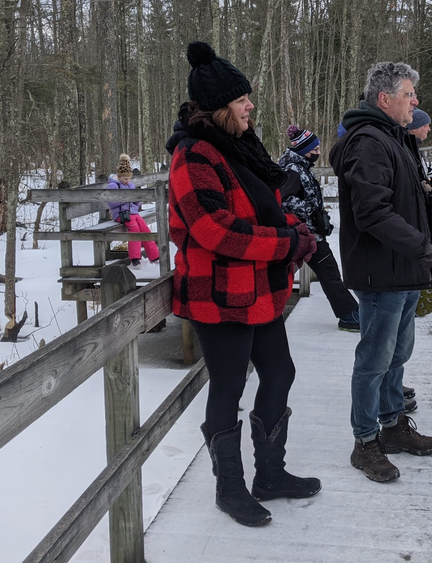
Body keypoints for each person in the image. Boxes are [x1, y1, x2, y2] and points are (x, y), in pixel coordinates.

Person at [166, 41, 321, 527]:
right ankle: (229, 488)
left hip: (260, 289)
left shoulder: (239, 146)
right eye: (241, 100)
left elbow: (264, 200)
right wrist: (286, 242)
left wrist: (293, 226)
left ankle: (269, 475)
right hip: (219, 295)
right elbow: (214, 230)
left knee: (280, 373)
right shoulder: (193, 156)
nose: (250, 105)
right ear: (218, 109)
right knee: (228, 387)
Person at [329, 61, 432, 483]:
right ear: (385, 98)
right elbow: (372, 212)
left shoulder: (396, 138)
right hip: (381, 272)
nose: (415, 102)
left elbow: (407, 200)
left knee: (398, 354)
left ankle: (393, 425)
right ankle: (365, 440)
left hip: (404, 270)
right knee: (374, 360)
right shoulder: (370, 142)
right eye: (409, 95)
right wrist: (419, 246)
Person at [279, 125, 361, 332]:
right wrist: (311, 210)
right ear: (302, 149)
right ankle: (349, 315)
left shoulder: (300, 167)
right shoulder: (293, 171)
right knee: (329, 273)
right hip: (304, 234)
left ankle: (350, 313)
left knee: (328, 273)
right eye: (314, 149)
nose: (317, 153)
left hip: (311, 232)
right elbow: (284, 201)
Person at [107, 154, 160, 267]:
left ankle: (154, 255)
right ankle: (135, 258)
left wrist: (136, 200)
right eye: (125, 178)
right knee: (134, 228)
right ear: (119, 177)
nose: (127, 180)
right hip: (121, 214)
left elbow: (136, 200)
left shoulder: (130, 185)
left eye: (129, 178)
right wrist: (126, 200)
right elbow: (111, 202)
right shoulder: (113, 185)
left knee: (144, 228)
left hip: (133, 212)